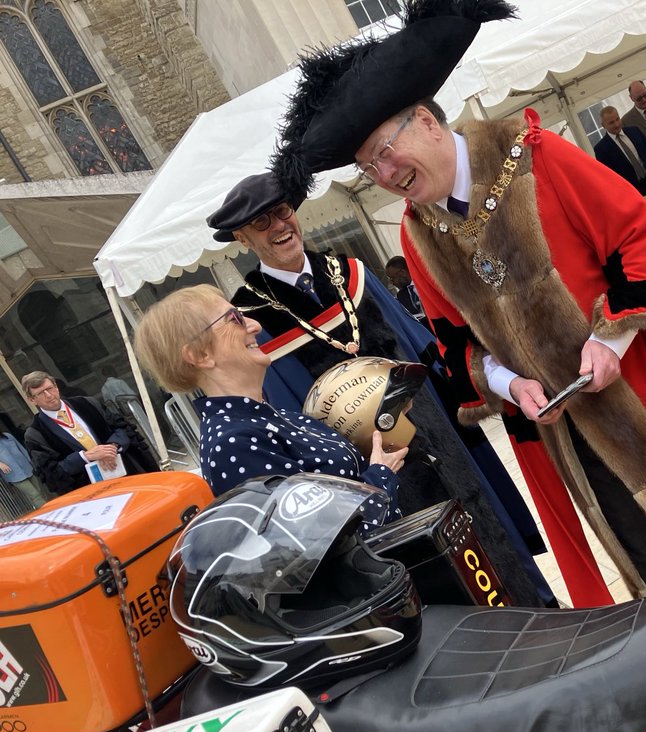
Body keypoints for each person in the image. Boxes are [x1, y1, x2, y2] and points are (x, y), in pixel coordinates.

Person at [269, 0, 646, 606]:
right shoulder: (417, 231)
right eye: (366, 167)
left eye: (384, 151)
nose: (381, 173)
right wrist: (511, 385)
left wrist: (610, 338)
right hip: (567, 432)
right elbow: (458, 344)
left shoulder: (535, 156)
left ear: (427, 123)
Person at [207, 172, 554, 606]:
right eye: (261, 223)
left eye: (282, 211)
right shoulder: (252, 320)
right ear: (241, 238)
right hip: (364, 465)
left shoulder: (351, 273)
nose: (279, 226)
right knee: (430, 569)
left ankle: (535, 609)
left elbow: (421, 347)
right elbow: (285, 415)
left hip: (430, 429)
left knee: (484, 524)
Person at [133, 285, 408, 530]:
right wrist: (381, 476)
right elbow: (318, 541)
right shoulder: (234, 444)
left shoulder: (267, 419)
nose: (254, 325)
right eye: (235, 319)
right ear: (200, 355)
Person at [21, 371, 159, 496]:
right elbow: (51, 473)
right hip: (93, 492)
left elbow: (123, 428)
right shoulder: (35, 434)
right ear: (32, 400)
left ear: (56, 387)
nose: (49, 395)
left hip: (130, 473)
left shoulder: (88, 403)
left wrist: (112, 447)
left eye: (49, 388)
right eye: (40, 393)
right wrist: (85, 457)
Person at [593, 105, 646, 195]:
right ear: (603, 125)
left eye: (617, 119)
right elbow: (609, 178)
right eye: (611, 123)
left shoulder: (634, 131)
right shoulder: (601, 149)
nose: (617, 124)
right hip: (632, 193)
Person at [0, 430, 47, 510]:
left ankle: (40, 511)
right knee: (35, 495)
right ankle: (48, 512)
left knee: (40, 492)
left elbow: (21, 448)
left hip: (26, 467)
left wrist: (31, 462)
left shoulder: (7, 436)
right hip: (13, 474)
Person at [384, 255, 427, 324]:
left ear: (403, 273)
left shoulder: (426, 281)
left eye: (392, 278)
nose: (392, 283)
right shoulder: (401, 296)